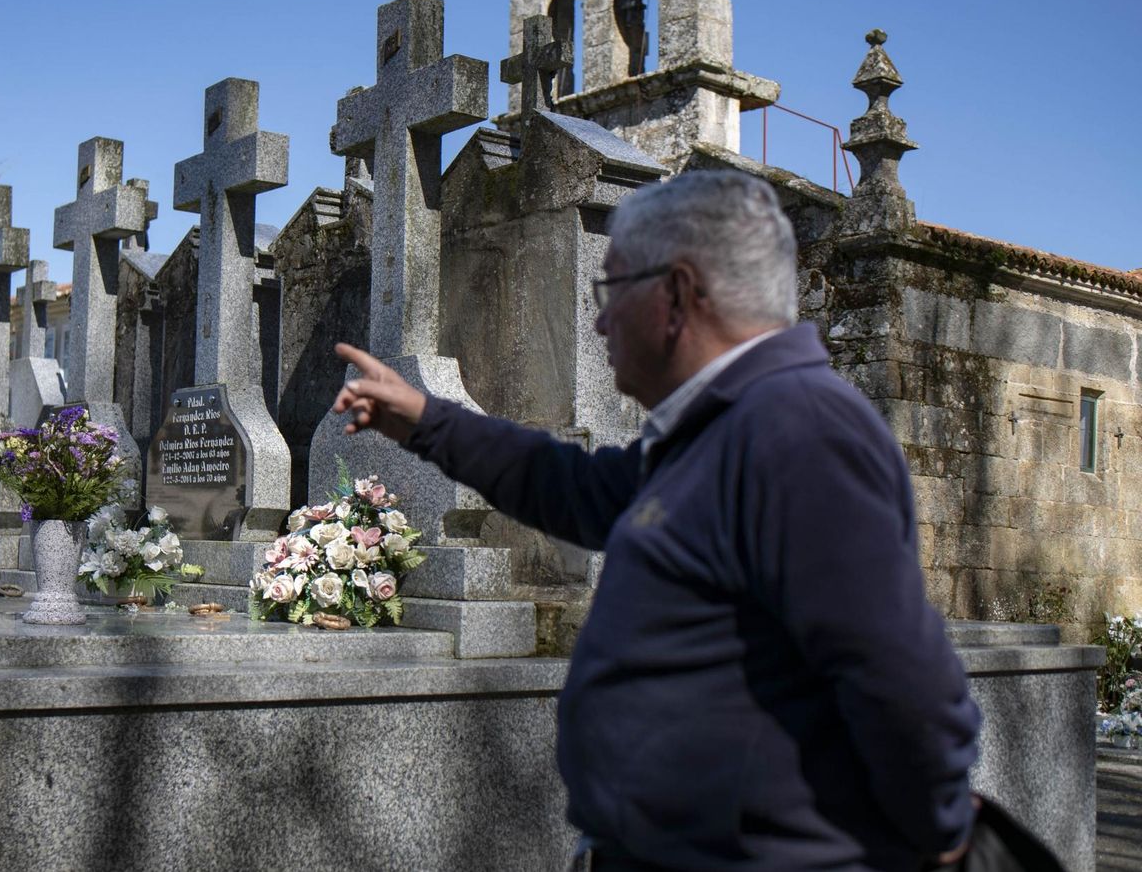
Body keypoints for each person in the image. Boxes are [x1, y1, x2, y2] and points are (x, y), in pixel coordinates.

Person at [331, 170, 982, 870]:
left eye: (611, 292)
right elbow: (574, 489)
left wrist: (938, 834)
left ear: (675, 294)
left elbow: (904, 680)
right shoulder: (716, 432)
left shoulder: (798, 431)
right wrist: (428, 421)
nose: (601, 319)